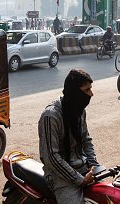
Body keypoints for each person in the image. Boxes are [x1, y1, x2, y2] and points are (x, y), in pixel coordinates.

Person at [38, 69, 99, 204]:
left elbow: (86, 141)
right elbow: (51, 157)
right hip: (60, 177)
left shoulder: (79, 110)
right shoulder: (51, 116)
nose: (91, 94)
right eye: (87, 90)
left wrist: (94, 167)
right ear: (75, 92)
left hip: (83, 170)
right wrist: (79, 179)